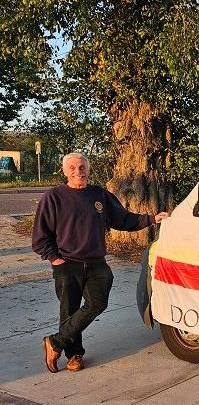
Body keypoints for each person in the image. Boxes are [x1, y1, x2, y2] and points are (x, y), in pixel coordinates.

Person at [32, 153, 169, 373]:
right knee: (70, 310)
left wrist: (151, 219)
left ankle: (55, 342)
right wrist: (54, 258)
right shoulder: (54, 197)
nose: (79, 171)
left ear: (88, 169)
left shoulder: (99, 195)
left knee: (97, 303)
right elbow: (40, 236)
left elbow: (123, 219)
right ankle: (74, 355)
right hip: (67, 263)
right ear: (65, 171)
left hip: (96, 262)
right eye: (73, 168)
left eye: (82, 167)